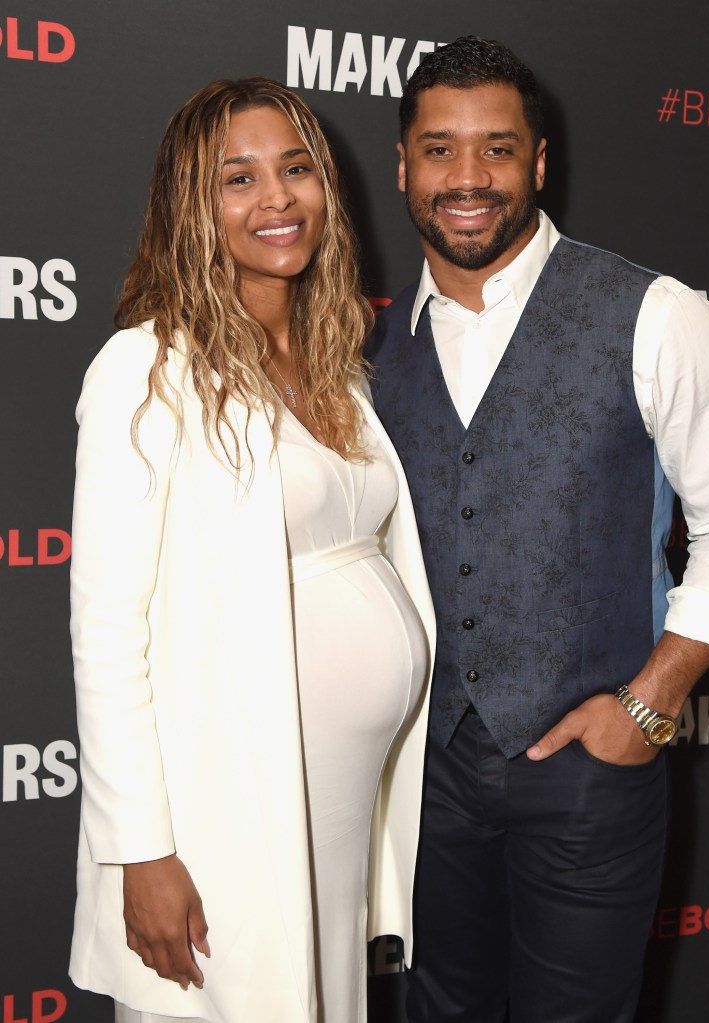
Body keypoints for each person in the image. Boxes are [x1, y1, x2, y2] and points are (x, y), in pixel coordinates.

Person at [367, 35, 709, 1023]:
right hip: (420, 781)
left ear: (537, 163)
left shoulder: (653, 314)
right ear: (402, 166)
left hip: (591, 773)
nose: (467, 177)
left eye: (496, 149)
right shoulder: (368, 349)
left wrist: (645, 705)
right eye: (439, 150)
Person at [69, 76, 435, 1023]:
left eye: (296, 168)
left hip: (338, 803)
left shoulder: (335, 367)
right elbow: (106, 630)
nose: (276, 198)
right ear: (193, 205)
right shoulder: (146, 369)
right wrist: (139, 850)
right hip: (226, 803)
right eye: (239, 178)